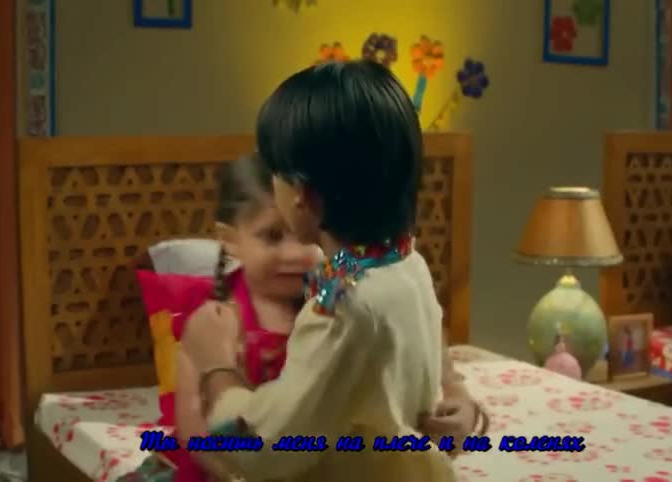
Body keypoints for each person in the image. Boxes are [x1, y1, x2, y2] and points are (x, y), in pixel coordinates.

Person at [182, 60, 485, 482]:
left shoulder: (344, 305)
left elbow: (266, 448)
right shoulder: (402, 263)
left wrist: (216, 368)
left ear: (301, 195)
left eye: (275, 175)